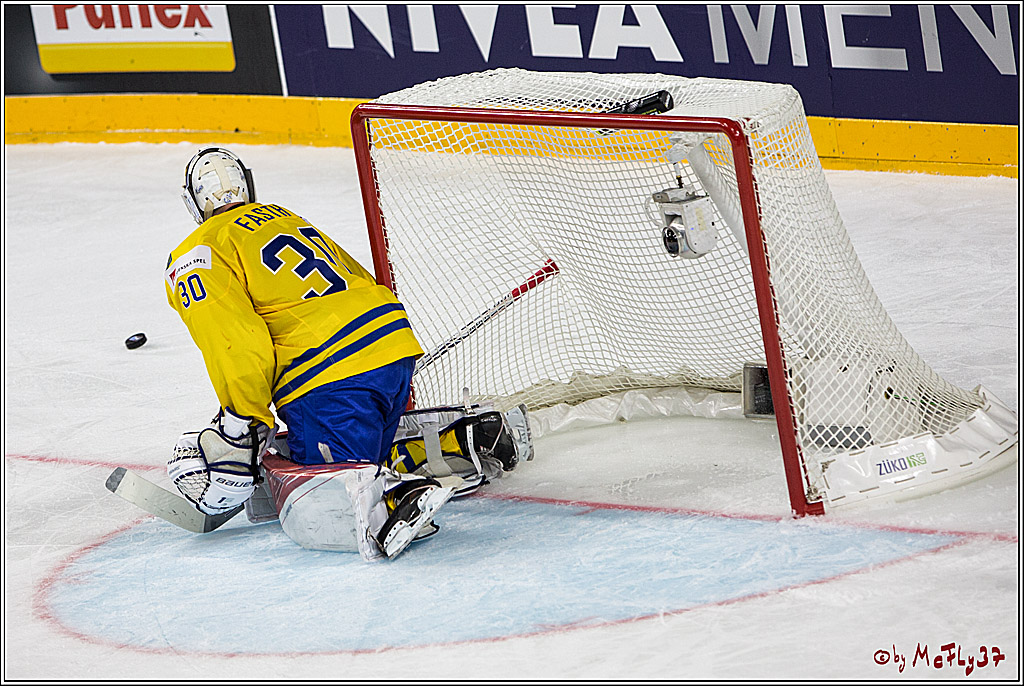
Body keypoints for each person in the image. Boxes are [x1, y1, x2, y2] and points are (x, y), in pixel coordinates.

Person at [164, 147, 462, 559]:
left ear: (193, 203)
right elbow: (355, 275)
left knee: (326, 502)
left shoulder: (196, 253)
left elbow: (236, 343)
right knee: (326, 452)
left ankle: (389, 497)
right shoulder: (283, 216)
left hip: (330, 379)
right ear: (246, 185)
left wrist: (241, 422)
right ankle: (443, 445)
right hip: (392, 350)